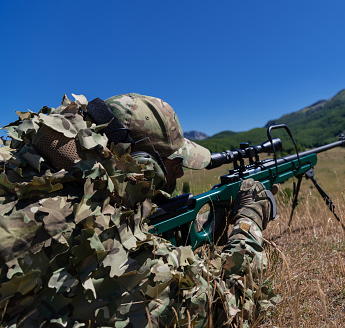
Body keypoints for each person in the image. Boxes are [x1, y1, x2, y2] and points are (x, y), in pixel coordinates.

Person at [0, 93, 277, 327]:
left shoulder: (35, 173)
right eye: (174, 161)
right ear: (143, 165)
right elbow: (227, 305)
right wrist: (249, 214)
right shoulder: (101, 237)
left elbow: (147, 225)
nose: (180, 172)